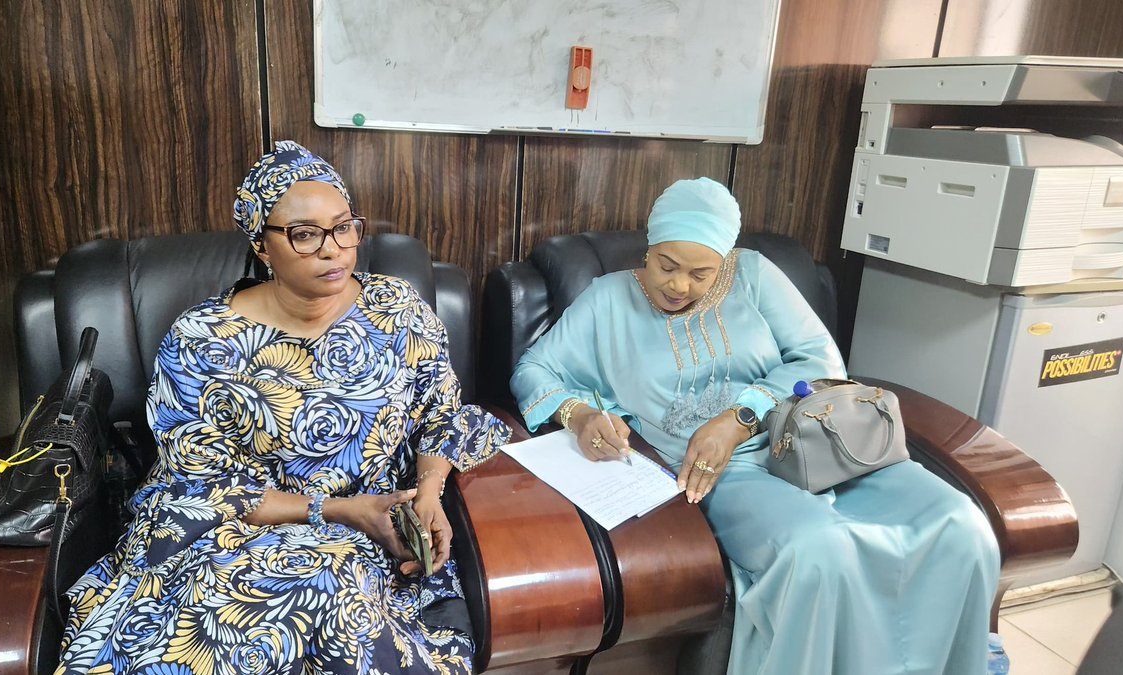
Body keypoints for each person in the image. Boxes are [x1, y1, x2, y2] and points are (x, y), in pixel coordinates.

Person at [510, 178, 1000, 674]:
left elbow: (821, 359)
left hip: (820, 443)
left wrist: (740, 418)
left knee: (961, 524)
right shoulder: (608, 301)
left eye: (701, 273)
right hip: (721, 476)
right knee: (818, 552)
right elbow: (532, 370)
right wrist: (580, 415)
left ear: (724, 261)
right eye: (667, 265)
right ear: (649, 247)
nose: (679, 286)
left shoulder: (755, 276)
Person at [55, 141, 509, 674]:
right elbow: (201, 486)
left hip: (375, 531)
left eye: (344, 227)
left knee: (339, 590)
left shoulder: (398, 308)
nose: (333, 249)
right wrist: (333, 512)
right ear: (263, 247)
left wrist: (427, 495)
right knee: (273, 607)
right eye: (304, 234)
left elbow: (441, 416)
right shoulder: (204, 337)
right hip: (232, 533)